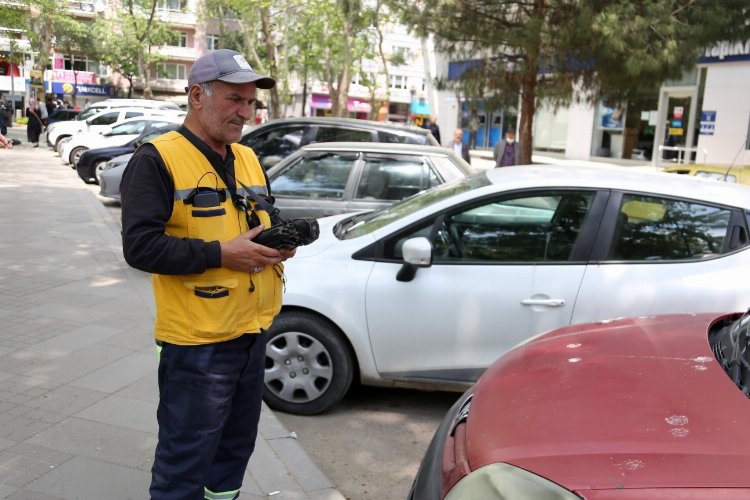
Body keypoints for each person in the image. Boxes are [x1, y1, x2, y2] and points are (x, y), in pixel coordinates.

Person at [120, 49, 293, 500]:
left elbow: (260, 221)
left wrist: (277, 244)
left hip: (252, 334)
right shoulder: (156, 159)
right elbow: (139, 247)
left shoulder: (249, 158)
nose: (245, 112)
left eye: (250, 102)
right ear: (197, 96)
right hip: (196, 347)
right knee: (184, 461)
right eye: (235, 99)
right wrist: (221, 254)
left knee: (234, 455)